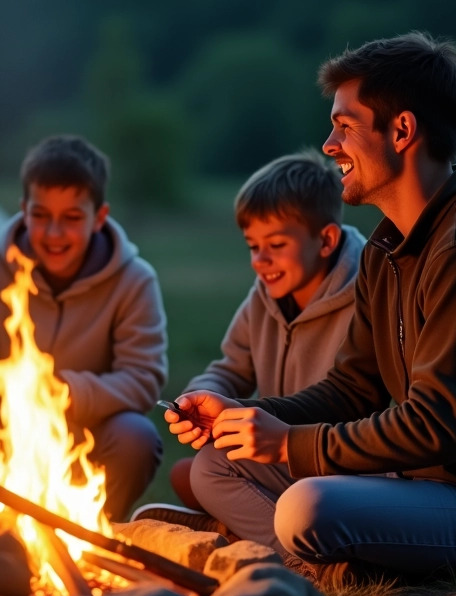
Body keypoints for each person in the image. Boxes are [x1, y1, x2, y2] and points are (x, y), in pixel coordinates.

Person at [166, 32, 456, 582]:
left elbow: (437, 428)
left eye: (344, 126)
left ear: (403, 130)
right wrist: (247, 418)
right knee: (217, 460)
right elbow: (354, 389)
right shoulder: (389, 247)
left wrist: (289, 444)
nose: (328, 144)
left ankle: (303, 563)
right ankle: (331, 565)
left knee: (304, 508)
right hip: (423, 488)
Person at [133, 149, 366, 529]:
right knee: (193, 471)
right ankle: (237, 527)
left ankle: (295, 554)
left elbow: (359, 402)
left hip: (335, 459)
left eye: (276, 246)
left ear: (325, 241)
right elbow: (231, 369)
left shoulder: (366, 296)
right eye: (253, 247)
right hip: (276, 459)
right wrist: (197, 397)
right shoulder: (264, 296)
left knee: (207, 472)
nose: (261, 261)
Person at [0, 135, 167, 521]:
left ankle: (90, 540)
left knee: (137, 437)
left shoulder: (134, 279)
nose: (54, 233)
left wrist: (61, 393)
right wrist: (18, 390)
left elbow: (143, 378)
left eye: (72, 218)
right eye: (41, 215)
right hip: (0, 425)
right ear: (23, 210)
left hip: (88, 431)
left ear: (99, 217)